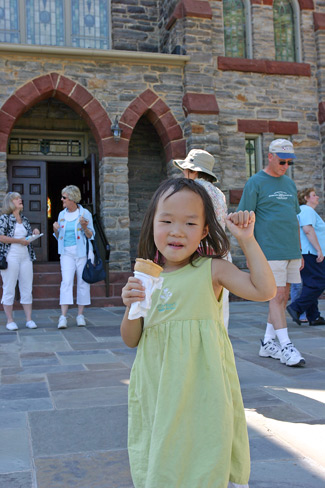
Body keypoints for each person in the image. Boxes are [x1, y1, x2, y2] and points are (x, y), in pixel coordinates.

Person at [121, 178, 276, 488]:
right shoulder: (147, 277)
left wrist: (247, 239)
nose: (177, 230)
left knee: (204, 448)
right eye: (166, 221)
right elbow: (131, 339)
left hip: (202, 387)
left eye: (190, 223)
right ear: (152, 224)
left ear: (205, 230)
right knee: (163, 451)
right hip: (158, 388)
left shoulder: (212, 269)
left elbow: (264, 290)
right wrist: (130, 306)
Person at [237, 139, 305, 367]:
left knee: (283, 298)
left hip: (290, 250)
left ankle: (267, 343)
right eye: (282, 161)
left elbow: (294, 218)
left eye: (289, 162)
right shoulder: (255, 182)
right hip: (269, 250)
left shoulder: (290, 184)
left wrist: (300, 250)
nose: (285, 165)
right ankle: (286, 346)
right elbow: (244, 221)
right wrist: (249, 252)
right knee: (276, 297)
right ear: (270, 156)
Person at [173, 148, 232, 329]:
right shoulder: (218, 194)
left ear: (193, 171)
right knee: (220, 309)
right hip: (221, 253)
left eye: (185, 169)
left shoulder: (192, 191)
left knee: (194, 309)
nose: (183, 173)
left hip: (199, 254)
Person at [53, 185, 94, 329]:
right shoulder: (61, 214)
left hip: (82, 253)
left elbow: (91, 235)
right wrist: (55, 230)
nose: (62, 199)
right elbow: (58, 237)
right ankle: (63, 317)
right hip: (66, 253)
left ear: (72, 199)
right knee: (66, 281)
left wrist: (84, 227)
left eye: (64, 197)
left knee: (83, 283)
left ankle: (80, 315)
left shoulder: (84, 213)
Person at [0, 192, 40, 331]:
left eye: (20, 198)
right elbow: (1, 237)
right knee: (9, 288)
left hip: (26, 257)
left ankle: (29, 319)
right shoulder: (4, 218)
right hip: (10, 256)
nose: (20, 200)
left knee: (27, 288)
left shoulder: (24, 219)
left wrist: (34, 233)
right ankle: (10, 320)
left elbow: (27, 238)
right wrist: (19, 241)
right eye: (17, 198)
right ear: (10, 202)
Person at [287, 188, 325, 326]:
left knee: (311, 283)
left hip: (308, 252)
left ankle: (314, 316)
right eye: (314, 195)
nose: (317, 197)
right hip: (310, 252)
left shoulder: (306, 211)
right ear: (306, 198)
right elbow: (308, 230)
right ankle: (296, 308)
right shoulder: (306, 210)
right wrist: (319, 250)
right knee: (319, 282)